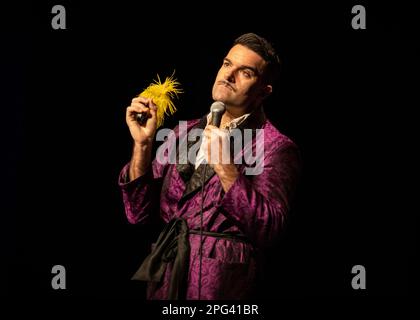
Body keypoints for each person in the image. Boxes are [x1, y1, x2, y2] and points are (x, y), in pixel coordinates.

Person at [118, 33, 301, 300]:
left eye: (245, 72)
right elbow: (137, 214)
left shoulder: (274, 145)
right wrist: (143, 147)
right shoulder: (183, 133)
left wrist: (226, 169)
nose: (229, 75)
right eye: (227, 64)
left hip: (221, 287)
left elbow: (270, 229)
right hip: (166, 282)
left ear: (264, 91)